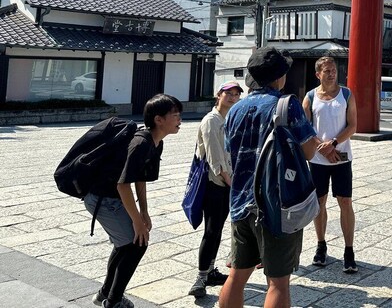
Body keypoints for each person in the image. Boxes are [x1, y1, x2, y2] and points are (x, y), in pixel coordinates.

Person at [219, 47, 319, 308]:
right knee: (277, 282)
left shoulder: (235, 110)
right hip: (276, 205)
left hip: (240, 201)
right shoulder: (287, 105)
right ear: (280, 77)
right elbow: (309, 150)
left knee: (237, 275)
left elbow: (231, 152)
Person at [86, 94, 182, 308]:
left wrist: (144, 211)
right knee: (136, 243)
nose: (179, 120)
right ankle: (113, 301)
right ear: (158, 119)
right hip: (103, 199)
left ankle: (105, 295)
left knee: (126, 245)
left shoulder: (155, 143)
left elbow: (140, 178)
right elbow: (123, 185)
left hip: (113, 198)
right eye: (175, 115)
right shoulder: (140, 143)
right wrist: (137, 221)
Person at [302, 56, 358, 273]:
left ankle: (349, 250)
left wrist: (333, 144)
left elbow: (353, 125)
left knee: (345, 201)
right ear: (318, 74)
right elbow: (304, 128)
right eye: (327, 71)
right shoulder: (309, 97)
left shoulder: (347, 94)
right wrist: (322, 147)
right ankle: (321, 244)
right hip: (318, 159)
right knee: (320, 202)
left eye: (334, 70)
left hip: (342, 156)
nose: (332, 73)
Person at [188, 81, 243, 298]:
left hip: (229, 182)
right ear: (218, 95)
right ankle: (201, 277)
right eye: (228, 93)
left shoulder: (229, 118)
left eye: (236, 94)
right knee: (211, 231)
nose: (232, 97)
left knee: (218, 229)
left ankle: (210, 270)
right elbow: (215, 160)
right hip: (215, 184)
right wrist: (232, 184)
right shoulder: (211, 121)